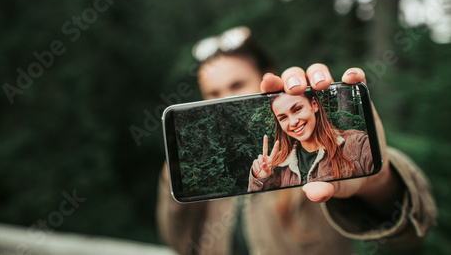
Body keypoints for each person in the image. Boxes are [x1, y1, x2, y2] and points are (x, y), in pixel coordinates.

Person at [156, 26, 437, 255]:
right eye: (213, 92)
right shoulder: (212, 168)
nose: (225, 101)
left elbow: (413, 229)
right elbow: (180, 243)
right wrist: (178, 170)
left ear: (267, 77)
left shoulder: (325, 150)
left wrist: (378, 183)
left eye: (237, 85)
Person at [248, 90, 374, 191]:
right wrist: (262, 179)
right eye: (283, 117)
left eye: (297, 109)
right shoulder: (276, 166)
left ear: (314, 105)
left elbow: (380, 187)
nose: (293, 122)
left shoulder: (358, 144)